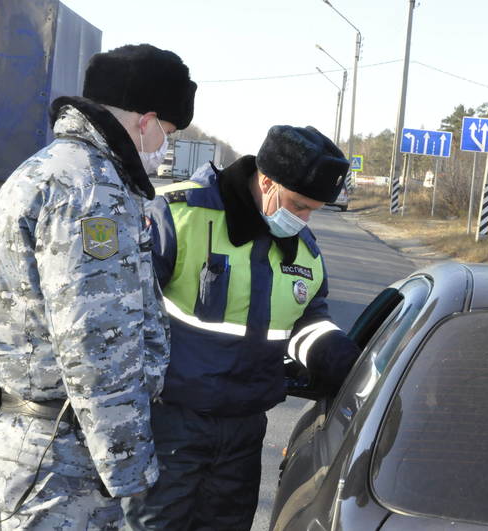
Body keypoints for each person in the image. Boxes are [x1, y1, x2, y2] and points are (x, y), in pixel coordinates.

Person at [0, 43, 196, 529]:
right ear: (146, 120)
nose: (166, 145)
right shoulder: (91, 188)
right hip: (63, 455)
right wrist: (130, 467)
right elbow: (98, 345)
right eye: (169, 132)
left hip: (39, 439)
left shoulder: (53, 167)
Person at [123, 125, 361, 530]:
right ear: (266, 180)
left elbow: (306, 322)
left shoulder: (303, 249)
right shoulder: (178, 215)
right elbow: (121, 316)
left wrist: (343, 361)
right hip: (170, 423)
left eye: (312, 211)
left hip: (244, 431)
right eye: (298, 205)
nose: (303, 220)